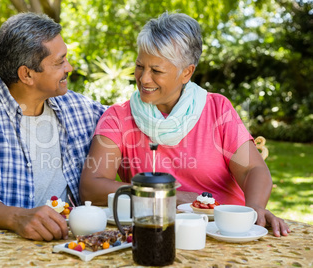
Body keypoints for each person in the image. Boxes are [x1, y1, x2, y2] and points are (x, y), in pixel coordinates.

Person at [79, 12, 290, 237]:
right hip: (156, 233)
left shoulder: (218, 109)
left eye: (156, 70)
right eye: (140, 66)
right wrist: (167, 198)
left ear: (186, 72)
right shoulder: (118, 118)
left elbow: (252, 169)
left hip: (223, 233)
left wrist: (255, 207)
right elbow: (92, 187)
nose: (143, 79)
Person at [0, 12, 106, 252]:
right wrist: (19, 218)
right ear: (26, 74)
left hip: (65, 246)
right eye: (60, 62)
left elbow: (124, 122)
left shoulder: (77, 107)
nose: (69, 67)